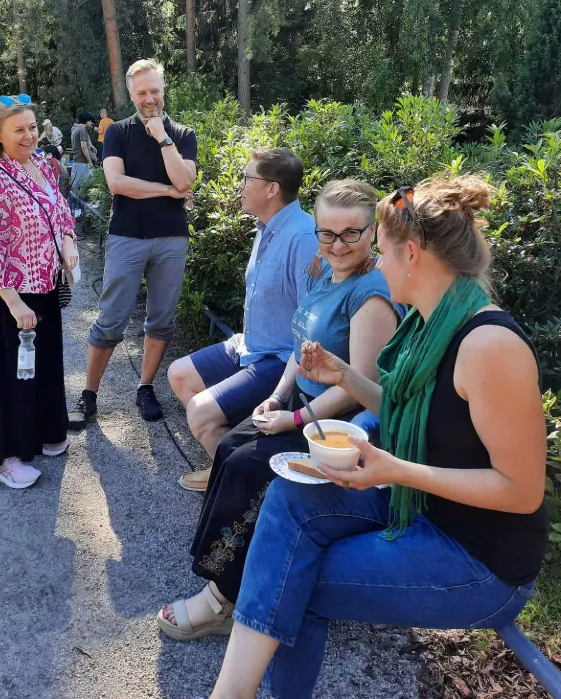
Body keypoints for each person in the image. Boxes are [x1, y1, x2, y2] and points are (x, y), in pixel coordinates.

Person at [196, 176, 549, 699]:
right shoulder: (429, 324)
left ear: (412, 254)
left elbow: (521, 492)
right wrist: (346, 378)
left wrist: (393, 469)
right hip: (419, 504)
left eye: (381, 253)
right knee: (289, 493)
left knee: (298, 579)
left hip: (478, 559)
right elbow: (405, 409)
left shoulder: (490, 346)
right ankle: (234, 691)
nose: (378, 266)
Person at [157, 180, 405, 640]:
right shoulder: (326, 273)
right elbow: (300, 346)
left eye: (351, 233)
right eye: (327, 233)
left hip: (334, 427)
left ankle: (224, 601)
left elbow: (358, 390)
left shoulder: (370, 296)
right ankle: (231, 570)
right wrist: (277, 394)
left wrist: (291, 420)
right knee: (231, 448)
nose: (337, 244)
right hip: (300, 405)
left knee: (251, 467)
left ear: (373, 232)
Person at [167, 149, 318, 492]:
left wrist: (284, 392)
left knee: (200, 413)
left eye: (248, 178)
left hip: (279, 359)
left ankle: (243, 488)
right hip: (248, 345)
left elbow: (311, 324)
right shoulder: (266, 226)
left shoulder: (303, 236)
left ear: (272, 189)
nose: (241, 185)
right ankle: (227, 461)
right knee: (179, 375)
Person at [68, 59, 196, 428]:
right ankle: (89, 394)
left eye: (154, 90)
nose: (149, 98)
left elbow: (184, 181)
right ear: (131, 94)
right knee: (111, 319)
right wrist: (168, 191)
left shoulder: (182, 134)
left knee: (161, 319)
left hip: (172, 237)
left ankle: (145, 386)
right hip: (127, 236)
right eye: (142, 92)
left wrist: (162, 137)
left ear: (163, 89)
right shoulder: (119, 133)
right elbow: (117, 184)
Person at [0, 94, 79, 489]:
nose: (29, 135)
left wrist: (68, 240)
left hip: (45, 285)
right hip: (9, 295)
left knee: (45, 363)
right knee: (9, 374)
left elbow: (62, 211)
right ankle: (1, 460)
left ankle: (44, 431)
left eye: (32, 127)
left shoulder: (42, 167)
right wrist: (14, 302)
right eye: (19, 130)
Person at [69, 111, 95, 197]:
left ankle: (75, 207)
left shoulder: (75, 128)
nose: (91, 123)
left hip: (77, 161)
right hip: (82, 162)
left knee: (76, 185)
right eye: (90, 121)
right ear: (86, 121)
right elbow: (83, 147)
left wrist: (90, 146)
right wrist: (90, 161)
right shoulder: (82, 129)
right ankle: (79, 208)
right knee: (82, 186)